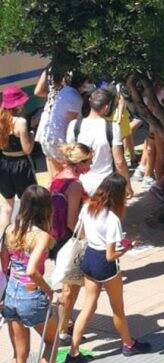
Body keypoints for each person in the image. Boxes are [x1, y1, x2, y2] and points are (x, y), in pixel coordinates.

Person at [65, 174, 152, 363]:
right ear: (118, 195)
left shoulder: (88, 207)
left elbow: (80, 233)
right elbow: (110, 255)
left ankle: (73, 352)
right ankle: (128, 344)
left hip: (88, 258)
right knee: (118, 309)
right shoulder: (112, 218)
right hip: (106, 266)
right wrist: (128, 247)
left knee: (88, 306)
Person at [1, 186, 58, 363]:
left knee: (20, 354)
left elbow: (4, 262)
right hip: (31, 294)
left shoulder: (10, 229)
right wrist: (50, 292)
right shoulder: (41, 236)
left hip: (11, 293)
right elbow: (32, 270)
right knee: (51, 341)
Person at [49, 142, 92, 344]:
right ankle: (63, 330)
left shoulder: (58, 178)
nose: (90, 167)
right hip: (68, 240)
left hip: (56, 238)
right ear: (78, 163)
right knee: (70, 288)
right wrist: (87, 239)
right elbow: (71, 221)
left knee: (68, 285)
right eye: (88, 162)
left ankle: (64, 323)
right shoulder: (74, 185)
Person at [66, 88, 131, 198]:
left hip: (83, 187)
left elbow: (68, 157)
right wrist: (127, 185)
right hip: (108, 187)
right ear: (106, 108)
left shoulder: (74, 126)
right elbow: (119, 162)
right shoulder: (113, 127)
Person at [37, 71, 86, 177]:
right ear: (83, 83)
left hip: (49, 138)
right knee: (68, 173)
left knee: (56, 175)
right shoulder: (75, 98)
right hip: (59, 141)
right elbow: (71, 125)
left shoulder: (65, 91)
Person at [0, 86, 36, 228]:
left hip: (4, 164)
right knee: (29, 204)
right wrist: (32, 135)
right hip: (21, 165)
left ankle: (2, 242)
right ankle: (25, 236)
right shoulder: (20, 122)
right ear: (18, 104)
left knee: (7, 207)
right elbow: (27, 149)